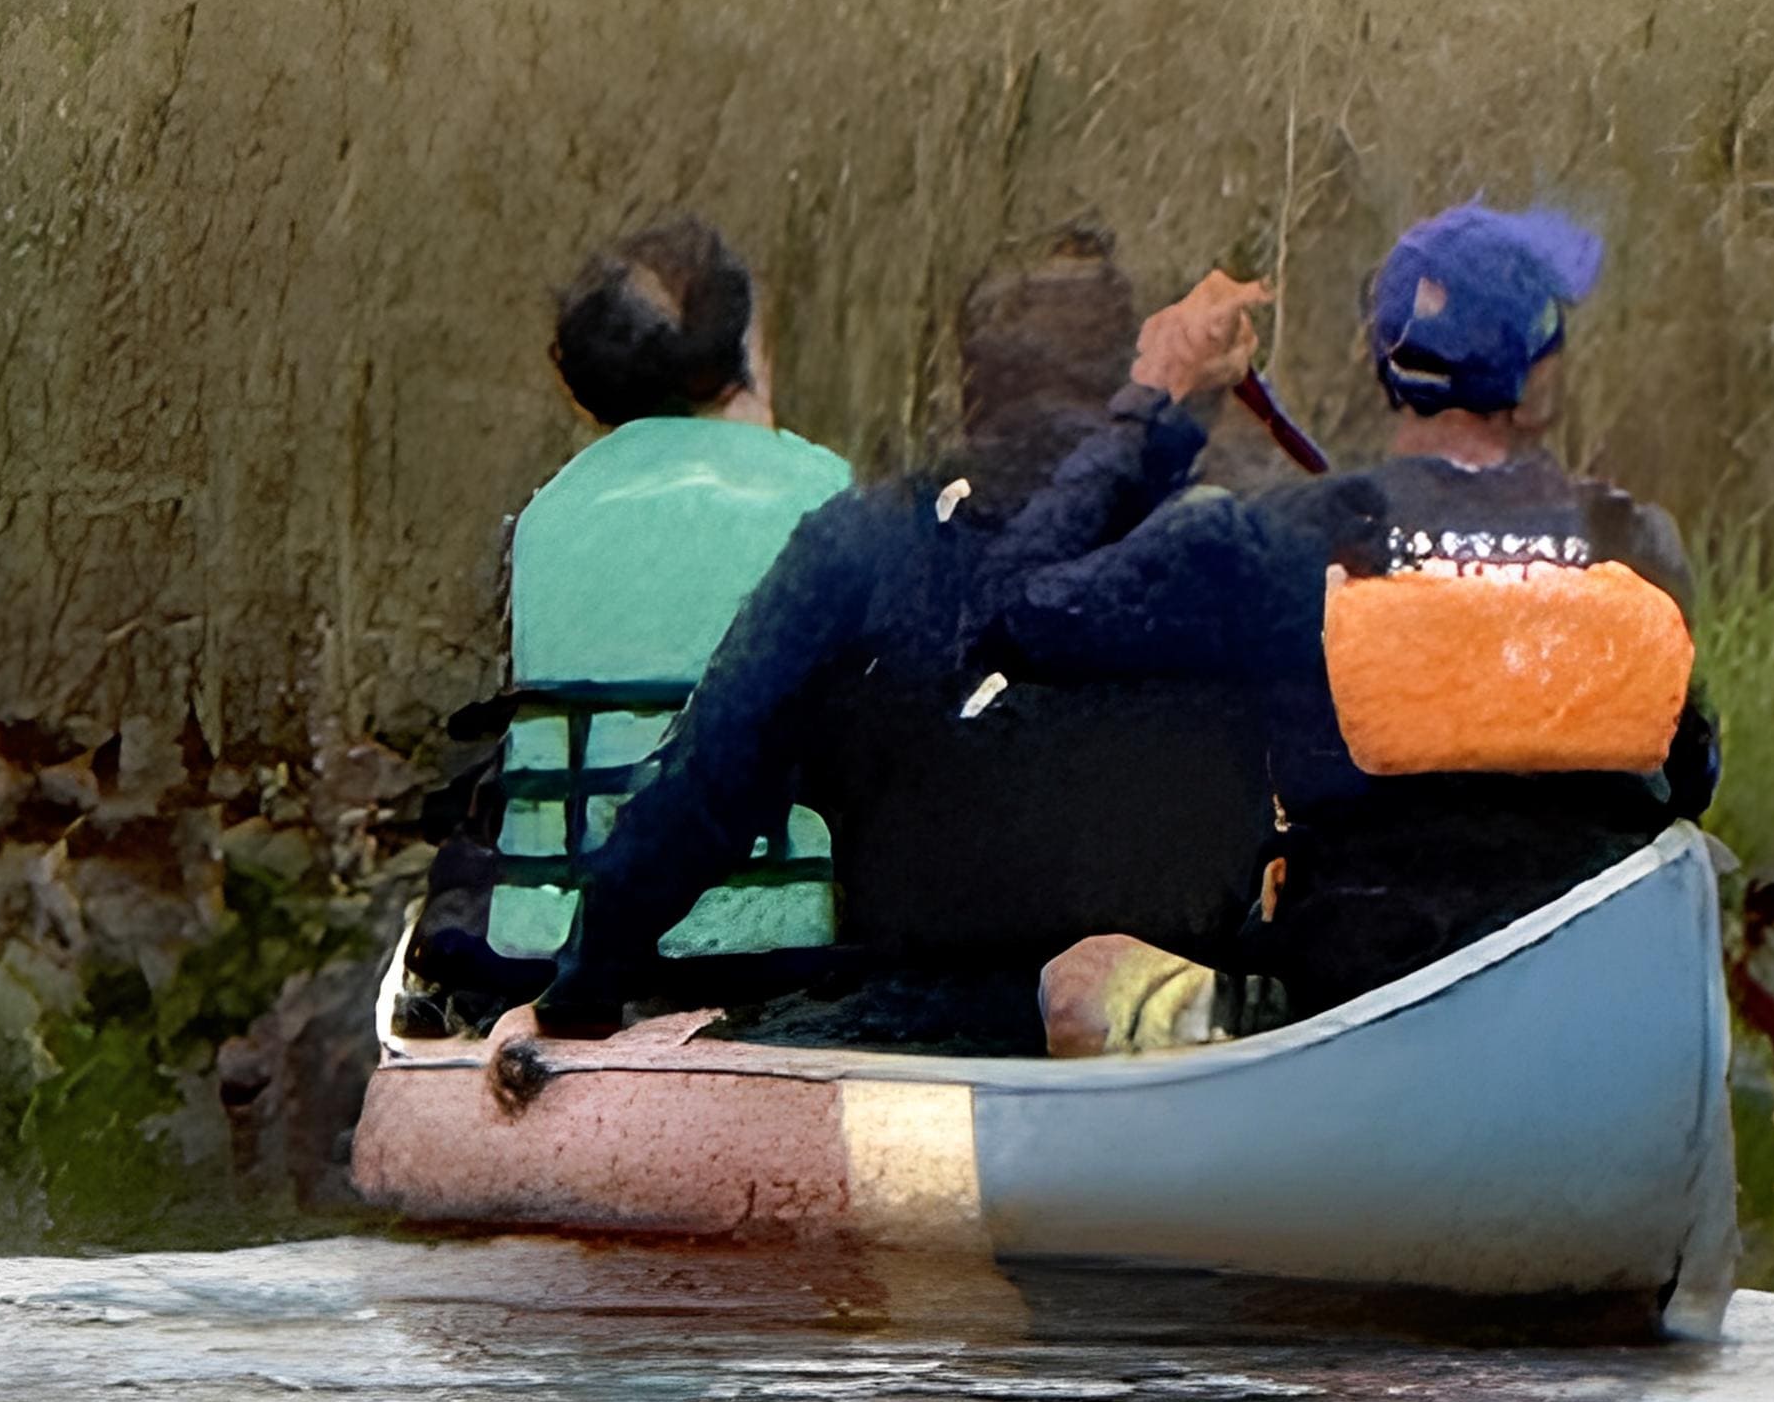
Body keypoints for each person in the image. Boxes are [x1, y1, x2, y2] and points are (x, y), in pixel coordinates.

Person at [524, 232, 1275, 1051]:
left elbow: (710, 782)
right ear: (1122, 370)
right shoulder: (1242, 539)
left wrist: (583, 985)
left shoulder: (869, 544)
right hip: (1202, 1009)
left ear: (970, 385)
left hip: (936, 1020)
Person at [975, 202, 1719, 1017]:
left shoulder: (1269, 544)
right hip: (1593, 997)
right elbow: (1693, 775)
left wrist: (1156, 403)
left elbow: (1011, 610)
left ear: (1386, 362)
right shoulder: (1638, 546)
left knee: (1079, 981)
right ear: (1542, 376)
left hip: (1354, 1002)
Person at [489, 217, 852, 962]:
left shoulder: (547, 517)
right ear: (742, 351)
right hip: (780, 923)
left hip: (553, 928)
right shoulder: (820, 489)